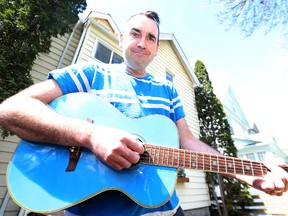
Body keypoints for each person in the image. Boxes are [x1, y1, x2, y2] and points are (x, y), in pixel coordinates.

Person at [0, 11, 287, 216]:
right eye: (136, 33)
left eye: (151, 38)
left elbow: (187, 144)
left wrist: (242, 172)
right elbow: (11, 110)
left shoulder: (168, 89)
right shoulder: (90, 73)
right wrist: (90, 135)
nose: (142, 43)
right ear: (121, 37)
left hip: (166, 208)